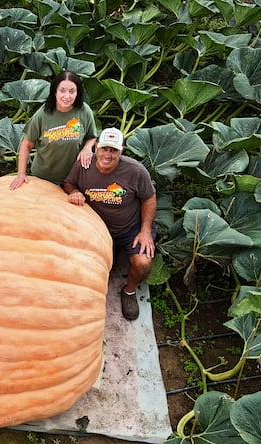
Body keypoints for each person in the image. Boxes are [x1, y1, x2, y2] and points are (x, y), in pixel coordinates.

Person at [63, 127, 157, 321]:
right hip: (96, 228)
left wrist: (145, 230)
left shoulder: (135, 171)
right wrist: (74, 192)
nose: (108, 154)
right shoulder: (83, 166)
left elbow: (149, 198)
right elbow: (69, 183)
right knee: (86, 267)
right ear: (96, 147)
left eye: (113, 150)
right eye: (104, 148)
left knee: (143, 263)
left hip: (129, 228)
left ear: (121, 151)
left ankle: (129, 291)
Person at [9, 70, 98, 190]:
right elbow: (26, 145)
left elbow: (92, 136)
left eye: (72, 91)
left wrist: (87, 148)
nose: (67, 96)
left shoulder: (84, 111)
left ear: (77, 93)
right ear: (55, 91)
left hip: (72, 179)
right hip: (42, 178)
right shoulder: (42, 114)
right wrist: (21, 174)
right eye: (62, 90)